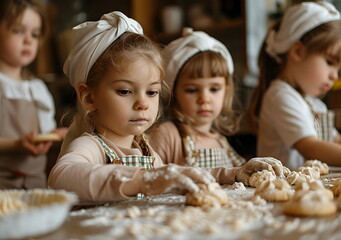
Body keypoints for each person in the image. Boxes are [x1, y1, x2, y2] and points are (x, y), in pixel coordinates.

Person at [47, 12, 219, 204]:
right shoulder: (91, 146)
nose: (143, 104)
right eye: (125, 91)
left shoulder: (146, 150)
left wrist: (232, 175)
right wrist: (142, 180)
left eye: (151, 92)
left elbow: (179, 178)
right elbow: (61, 178)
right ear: (89, 97)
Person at [149, 28, 285, 185]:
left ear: (226, 91)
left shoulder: (220, 140)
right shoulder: (167, 135)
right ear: (173, 92)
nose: (204, 99)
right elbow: (152, 181)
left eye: (214, 89)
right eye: (192, 90)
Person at [247, 2, 341, 170]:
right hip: (284, 190)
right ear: (298, 52)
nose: (334, 76)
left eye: (340, 69)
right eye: (330, 62)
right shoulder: (280, 96)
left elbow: (336, 141)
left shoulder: (312, 102)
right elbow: (311, 148)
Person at [0, 0, 67, 189]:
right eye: (17, 31)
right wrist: (16, 144)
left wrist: (55, 135)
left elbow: (43, 135)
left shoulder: (38, 88)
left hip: (35, 185)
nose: (28, 40)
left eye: (35, 34)